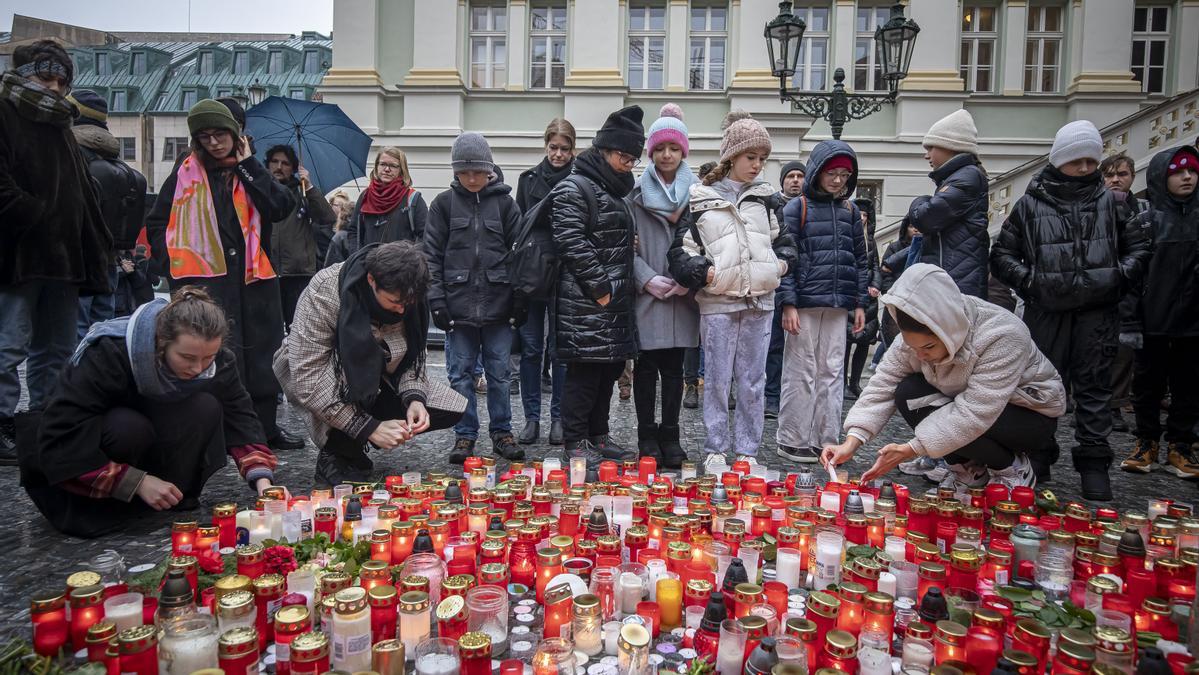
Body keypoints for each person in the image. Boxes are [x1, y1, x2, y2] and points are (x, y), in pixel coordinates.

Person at [23, 288, 278, 537]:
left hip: (150, 447)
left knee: (205, 407)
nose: (198, 367)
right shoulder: (108, 353)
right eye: (186, 357)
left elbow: (240, 415)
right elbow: (62, 432)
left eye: (207, 358)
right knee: (129, 426)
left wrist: (263, 482)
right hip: (92, 468)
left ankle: (168, 496)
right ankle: (116, 504)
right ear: (161, 343)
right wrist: (137, 482)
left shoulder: (217, 360)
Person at [990, 120, 1151, 500]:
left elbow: (1140, 250)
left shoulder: (1113, 203)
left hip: (1098, 311)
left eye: (1089, 160)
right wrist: (1032, 282)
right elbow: (1002, 255)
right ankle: (1039, 457)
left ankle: (1095, 465)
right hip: (1047, 310)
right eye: (1075, 160)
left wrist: (1115, 278)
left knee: (1095, 389)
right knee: (1043, 387)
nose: (1083, 167)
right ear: (1059, 159)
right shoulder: (1030, 205)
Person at [822, 264, 1065, 492]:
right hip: (967, 406)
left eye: (928, 347)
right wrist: (851, 442)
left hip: (1027, 416)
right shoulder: (911, 342)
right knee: (908, 392)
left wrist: (912, 449)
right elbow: (882, 386)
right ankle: (968, 470)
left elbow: (976, 412)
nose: (920, 355)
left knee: (961, 419)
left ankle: (1012, 468)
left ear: (948, 330)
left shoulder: (1002, 335)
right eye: (913, 347)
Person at [145, 99, 303, 452]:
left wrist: (249, 165)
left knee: (262, 357)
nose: (214, 143)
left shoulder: (250, 171)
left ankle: (264, 428)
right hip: (205, 282)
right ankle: (218, 431)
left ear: (236, 135)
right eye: (205, 137)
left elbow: (279, 206)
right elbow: (158, 222)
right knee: (213, 356)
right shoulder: (184, 174)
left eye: (220, 134)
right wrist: (173, 260)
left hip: (253, 279)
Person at [0, 40, 112, 463]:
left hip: (64, 258)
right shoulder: (5, 114)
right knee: (8, 345)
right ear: (25, 75)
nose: (53, 87)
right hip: (19, 254)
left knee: (57, 348)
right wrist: (37, 214)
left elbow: (81, 192)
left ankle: (43, 419)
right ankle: (2, 422)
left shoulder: (62, 125)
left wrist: (92, 238)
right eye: (45, 78)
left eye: (60, 81)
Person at [273, 242, 467, 486]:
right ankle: (337, 452)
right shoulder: (326, 290)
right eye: (395, 301)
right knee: (346, 376)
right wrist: (368, 428)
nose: (401, 310)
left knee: (449, 409)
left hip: (381, 373)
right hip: (324, 374)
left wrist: (414, 399)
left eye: (408, 303)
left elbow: (413, 357)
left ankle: (353, 442)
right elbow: (309, 376)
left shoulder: (408, 295)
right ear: (372, 280)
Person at [669, 111, 795, 471]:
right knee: (718, 379)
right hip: (719, 302)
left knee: (754, 380)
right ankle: (715, 448)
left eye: (762, 159)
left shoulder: (769, 199)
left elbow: (786, 244)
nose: (757, 165)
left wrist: (778, 268)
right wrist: (706, 273)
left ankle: (747, 451)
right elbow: (681, 252)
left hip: (760, 301)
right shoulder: (701, 198)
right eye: (750, 157)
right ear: (731, 157)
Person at [552, 106, 645, 469]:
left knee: (607, 371)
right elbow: (570, 240)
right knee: (585, 373)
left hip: (613, 300)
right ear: (605, 151)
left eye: (633, 159)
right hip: (588, 301)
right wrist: (600, 287)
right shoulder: (575, 187)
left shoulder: (612, 188)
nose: (629, 164)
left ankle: (599, 434)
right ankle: (575, 440)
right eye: (625, 156)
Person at [425, 132, 523, 464]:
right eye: (464, 173)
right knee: (459, 374)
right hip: (457, 304)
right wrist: (435, 300)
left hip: (498, 304)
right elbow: (431, 256)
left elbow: (520, 255)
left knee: (500, 373)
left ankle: (502, 432)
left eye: (477, 172)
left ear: (489, 169)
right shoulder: (442, 205)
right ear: (455, 172)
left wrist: (519, 298)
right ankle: (464, 435)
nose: (471, 179)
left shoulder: (506, 205)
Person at [775, 140, 870, 463]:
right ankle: (792, 437)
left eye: (845, 174)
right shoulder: (796, 208)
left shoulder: (851, 211)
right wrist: (788, 303)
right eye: (833, 173)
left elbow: (861, 259)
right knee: (801, 370)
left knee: (832, 371)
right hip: (803, 302)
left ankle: (825, 438)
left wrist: (859, 303)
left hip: (839, 303)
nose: (839, 180)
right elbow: (785, 258)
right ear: (818, 172)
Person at [1120, 144, 1199, 480]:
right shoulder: (1145, 224)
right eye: (1178, 172)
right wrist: (1131, 321)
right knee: (1148, 384)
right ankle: (1146, 441)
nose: (1187, 177)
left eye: (1192, 171)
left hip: (1193, 322)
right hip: (1153, 320)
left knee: (1189, 385)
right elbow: (1131, 278)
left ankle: (1181, 445)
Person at [630, 104, 700, 469]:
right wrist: (644, 278)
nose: (667, 154)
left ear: (683, 151)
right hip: (649, 296)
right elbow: (622, 245)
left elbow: (708, 244)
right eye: (660, 148)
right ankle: (646, 434)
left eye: (673, 148)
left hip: (682, 298)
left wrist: (690, 282)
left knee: (674, 372)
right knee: (645, 370)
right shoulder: (636, 194)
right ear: (651, 152)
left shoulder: (699, 195)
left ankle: (671, 435)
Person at [514, 118, 576, 446]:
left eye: (565, 149)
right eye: (553, 147)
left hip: (566, 272)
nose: (558, 154)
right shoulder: (528, 180)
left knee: (560, 351)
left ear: (573, 149)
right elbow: (520, 227)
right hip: (534, 273)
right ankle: (531, 418)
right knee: (531, 349)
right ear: (545, 146)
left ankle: (558, 419)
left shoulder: (581, 179)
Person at [68, 89, 148, 341]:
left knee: (74, 331)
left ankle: (76, 378)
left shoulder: (74, 155)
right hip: (109, 261)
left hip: (77, 262)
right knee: (104, 328)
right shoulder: (116, 162)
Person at [906, 109, 990, 298]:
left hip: (955, 283)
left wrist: (920, 200)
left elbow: (925, 217)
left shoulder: (966, 177)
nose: (926, 155)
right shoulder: (961, 176)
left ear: (951, 146)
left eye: (931, 148)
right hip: (954, 279)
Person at [1100, 153, 1147, 434]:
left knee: (1122, 352)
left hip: (1129, 289)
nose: (1116, 179)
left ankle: (1115, 405)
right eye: (1110, 174)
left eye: (1123, 174)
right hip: (1097, 287)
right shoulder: (1093, 208)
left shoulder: (1142, 210)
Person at [266, 144, 336, 329]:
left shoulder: (302, 193)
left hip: (298, 273)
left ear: (294, 168)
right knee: (269, 330)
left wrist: (310, 187)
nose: (279, 167)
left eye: (285, 163)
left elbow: (327, 218)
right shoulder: (260, 191)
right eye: (274, 161)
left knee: (297, 328)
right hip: (266, 272)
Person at [765, 160, 807, 418]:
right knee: (775, 346)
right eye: (790, 176)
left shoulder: (810, 207)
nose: (795, 180)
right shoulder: (772, 205)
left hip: (805, 287)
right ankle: (771, 396)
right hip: (778, 284)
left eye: (799, 176)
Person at [351, 147, 427, 249]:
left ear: (402, 169)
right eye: (382, 164)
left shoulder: (413, 199)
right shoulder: (365, 196)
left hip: (401, 263)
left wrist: (410, 259)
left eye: (393, 166)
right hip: (367, 263)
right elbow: (353, 232)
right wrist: (358, 259)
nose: (387, 169)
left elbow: (425, 236)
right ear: (376, 166)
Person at [845, 201, 881, 400]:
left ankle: (855, 383)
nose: (862, 218)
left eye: (865, 215)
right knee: (846, 342)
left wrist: (876, 285)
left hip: (868, 299)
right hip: (850, 295)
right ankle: (841, 383)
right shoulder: (845, 236)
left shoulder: (871, 241)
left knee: (865, 340)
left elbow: (875, 265)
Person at [113, 245, 158, 317]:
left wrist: (132, 271)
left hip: (130, 303)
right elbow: (156, 281)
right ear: (145, 252)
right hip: (117, 304)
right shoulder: (108, 254)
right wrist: (123, 271)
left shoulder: (128, 255)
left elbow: (140, 280)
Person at [323, 190, 355, 267]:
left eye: (343, 206)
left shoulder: (349, 230)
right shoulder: (322, 226)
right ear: (331, 205)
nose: (341, 208)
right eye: (338, 205)